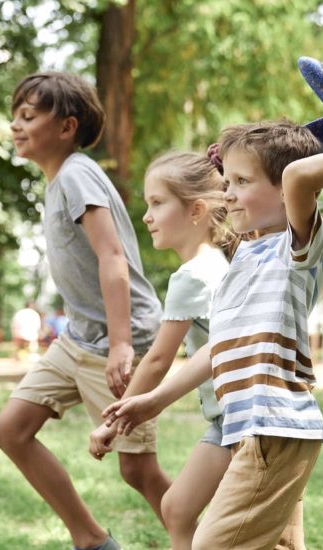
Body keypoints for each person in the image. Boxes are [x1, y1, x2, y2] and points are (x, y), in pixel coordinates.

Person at [104, 122, 323, 549]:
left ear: (285, 194)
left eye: (242, 182)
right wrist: (151, 401)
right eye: (227, 181)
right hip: (253, 430)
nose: (227, 193)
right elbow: (220, 347)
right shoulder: (245, 257)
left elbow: (298, 177)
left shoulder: (298, 250)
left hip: (274, 429)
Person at [0, 71, 169, 550]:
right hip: (77, 339)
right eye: (15, 116)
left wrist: (120, 345)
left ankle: (210, 543)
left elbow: (112, 257)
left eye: (28, 116)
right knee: (11, 431)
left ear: (66, 127)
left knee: (138, 470)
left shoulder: (76, 173)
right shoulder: (58, 182)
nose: (16, 126)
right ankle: (91, 540)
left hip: (119, 336)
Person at [87, 150, 232, 549]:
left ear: (196, 210)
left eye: (157, 203)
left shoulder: (192, 277)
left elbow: (156, 361)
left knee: (182, 512)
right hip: (229, 419)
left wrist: (112, 423)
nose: (147, 216)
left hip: (235, 423)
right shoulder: (220, 264)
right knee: (176, 510)